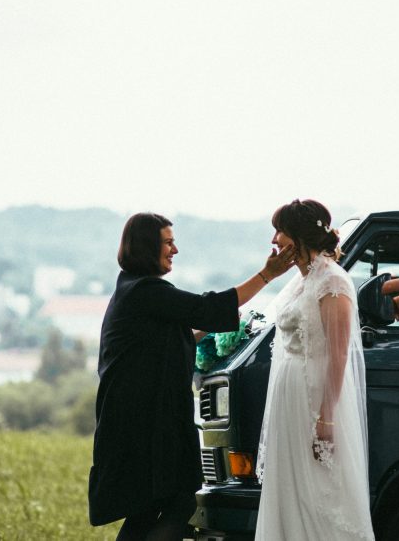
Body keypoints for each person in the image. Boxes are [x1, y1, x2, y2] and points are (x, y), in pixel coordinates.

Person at [88, 212, 295, 541]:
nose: (175, 249)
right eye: (168, 242)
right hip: (142, 425)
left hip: (140, 422)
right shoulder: (145, 291)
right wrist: (267, 275)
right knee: (179, 502)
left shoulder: (134, 290)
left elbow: (169, 340)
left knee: (145, 511)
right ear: (146, 247)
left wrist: (216, 330)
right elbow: (206, 308)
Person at [255, 199, 376, 540]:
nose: (275, 239)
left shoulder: (332, 283)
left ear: (300, 236)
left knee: (319, 493)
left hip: (314, 399)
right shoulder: (299, 282)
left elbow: (338, 355)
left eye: (281, 231)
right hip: (289, 397)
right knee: (290, 491)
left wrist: (327, 417)